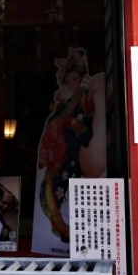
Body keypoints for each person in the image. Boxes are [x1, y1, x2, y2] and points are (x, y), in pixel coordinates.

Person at [37, 47, 95, 242]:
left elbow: (87, 128)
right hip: (58, 156)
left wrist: (72, 123)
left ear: (82, 79)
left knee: (67, 194)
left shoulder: (85, 99)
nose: (71, 84)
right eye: (68, 81)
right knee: (52, 192)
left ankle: (73, 232)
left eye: (75, 79)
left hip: (73, 156)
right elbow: (52, 124)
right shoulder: (63, 103)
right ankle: (63, 231)